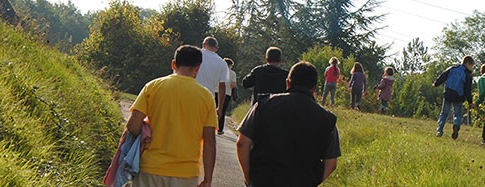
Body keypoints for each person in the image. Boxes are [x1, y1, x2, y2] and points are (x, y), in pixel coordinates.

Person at [236, 61, 340, 186]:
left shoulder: (263, 104)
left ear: (287, 83)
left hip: (263, 180)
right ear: (314, 88)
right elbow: (331, 163)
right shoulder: (327, 119)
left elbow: (242, 144)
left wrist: (249, 179)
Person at [126, 45, 217, 186]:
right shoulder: (206, 97)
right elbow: (210, 141)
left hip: (151, 168)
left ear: (173, 64)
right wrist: (208, 179)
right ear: (198, 67)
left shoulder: (153, 86)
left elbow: (133, 126)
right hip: (186, 174)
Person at [433, 55, 475, 139]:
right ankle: (456, 126)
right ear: (467, 63)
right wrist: (470, 101)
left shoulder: (452, 68)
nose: (472, 68)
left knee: (444, 113)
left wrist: (436, 84)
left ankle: (439, 131)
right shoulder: (467, 75)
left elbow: (443, 76)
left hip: (448, 93)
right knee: (457, 114)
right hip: (459, 96)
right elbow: (467, 90)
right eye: (471, 66)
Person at [216, 58, 237, 135]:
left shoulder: (218, 71)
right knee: (222, 110)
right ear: (230, 65)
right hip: (227, 93)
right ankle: (220, 129)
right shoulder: (232, 73)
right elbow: (233, 85)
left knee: (214, 109)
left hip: (216, 92)